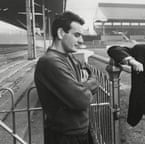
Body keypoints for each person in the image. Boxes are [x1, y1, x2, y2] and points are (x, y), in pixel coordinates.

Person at [34, 11, 99, 144]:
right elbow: (82, 99)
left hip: (80, 131)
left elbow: (89, 80)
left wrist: (80, 87)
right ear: (61, 33)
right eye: (76, 35)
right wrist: (87, 85)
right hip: (64, 136)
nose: (81, 40)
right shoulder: (50, 62)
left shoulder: (69, 57)